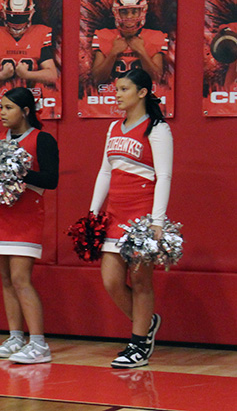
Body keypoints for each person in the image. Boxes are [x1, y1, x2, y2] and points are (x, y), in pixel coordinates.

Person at [88, 68, 172, 369]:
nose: (118, 94)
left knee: (140, 280)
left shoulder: (157, 128)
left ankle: (138, 344)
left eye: (124, 89)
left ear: (141, 92)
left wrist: (157, 222)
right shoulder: (113, 127)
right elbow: (105, 171)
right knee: (111, 281)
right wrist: (93, 212)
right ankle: (147, 323)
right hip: (114, 213)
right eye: (117, 88)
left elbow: (163, 176)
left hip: (142, 215)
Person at [0, 87, 59, 364]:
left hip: (26, 217)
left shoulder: (43, 140)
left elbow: (51, 180)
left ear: (25, 111)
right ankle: (16, 336)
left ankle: (39, 343)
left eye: (8, 108)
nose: (2, 113)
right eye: (1, 107)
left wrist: (18, 170)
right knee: (6, 279)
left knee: (20, 279)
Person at [92, 0, 167, 84]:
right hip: (112, 94)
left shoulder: (156, 37)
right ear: (116, 12)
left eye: (134, 11)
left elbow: (157, 78)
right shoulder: (103, 35)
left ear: (143, 11)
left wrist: (141, 51)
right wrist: (113, 53)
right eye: (124, 11)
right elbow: (96, 79)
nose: (129, 17)